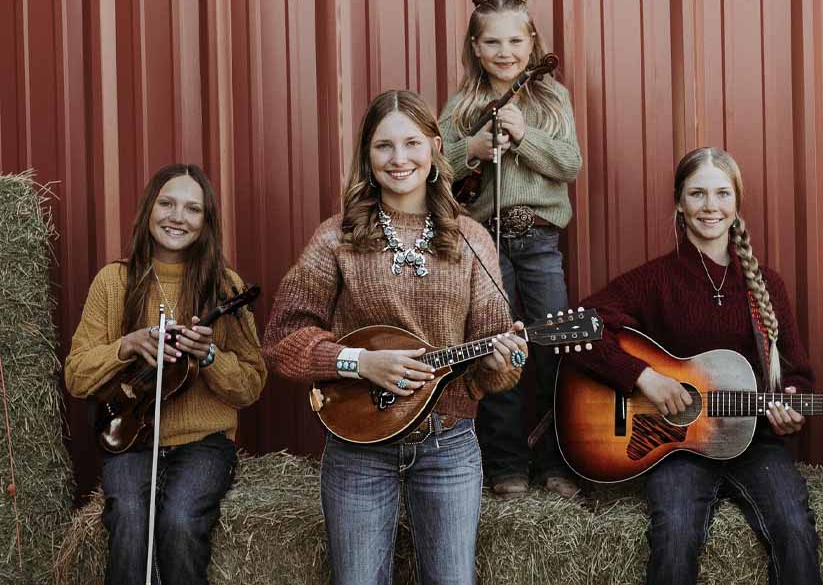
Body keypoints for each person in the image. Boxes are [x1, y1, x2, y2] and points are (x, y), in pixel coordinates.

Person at [263, 89, 527, 585]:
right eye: (384, 146)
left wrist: (501, 361)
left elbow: (497, 357)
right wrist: (358, 362)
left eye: (411, 144)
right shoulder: (336, 237)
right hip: (358, 448)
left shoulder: (473, 240)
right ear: (367, 156)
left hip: (448, 446)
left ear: (434, 149)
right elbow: (282, 338)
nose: (399, 159)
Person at [566, 147, 822, 585]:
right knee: (675, 534)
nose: (711, 206)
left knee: (795, 529)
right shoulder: (654, 280)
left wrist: (791, 410)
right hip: (676, 445)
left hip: (754, 443)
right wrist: (643, 377)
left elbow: (796, 374)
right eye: (697, 193)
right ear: (679, 204)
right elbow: (577, 329)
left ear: (737, 203)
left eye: (722, 193)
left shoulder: (766, 284)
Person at [64, 164, 267, 585]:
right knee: (130, 516)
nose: (178, 217)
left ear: (206, 222)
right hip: (131, 440)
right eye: (168, 204)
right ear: (148, 210)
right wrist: (125, 347)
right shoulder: (113, 282)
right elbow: (76, 375)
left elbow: (250, 385)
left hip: (204, 444)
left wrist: (209, 356)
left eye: (193, 209)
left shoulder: (225, 286)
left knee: (179, 521)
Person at [439, 0, 583, 499]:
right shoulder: (461, 105)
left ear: (532, 43)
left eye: (515, 41)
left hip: (540, 242)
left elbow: (570, 163)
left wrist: (526, 136)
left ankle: (557, 461)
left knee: (554, 351)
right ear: (475, 48)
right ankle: (506, 467)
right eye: (492, 42)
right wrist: (472, 148)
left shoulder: (552, 97)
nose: (505, 52)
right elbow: (433, 174)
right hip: (485, 244)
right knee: (499, 352)